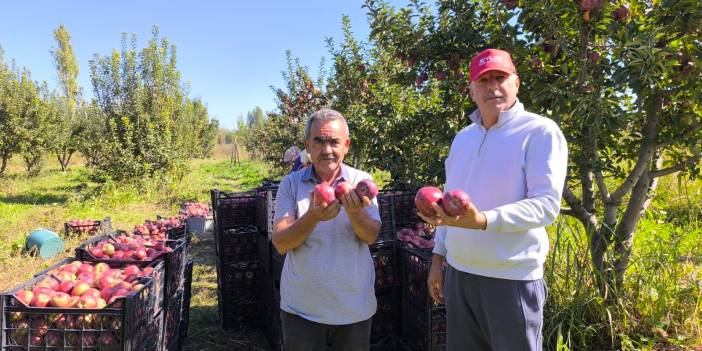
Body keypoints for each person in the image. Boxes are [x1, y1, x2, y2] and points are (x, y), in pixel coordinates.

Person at [420, 48, 568, 351]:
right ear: (472, 90)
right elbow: (450, 207)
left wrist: (484, 220)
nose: (492, 86)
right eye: (483, 80)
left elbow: (545, 205)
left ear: (516, 82)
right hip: (460, 276)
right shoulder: (463, 138)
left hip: (510, 279)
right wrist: (438, 258)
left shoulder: (539, 132)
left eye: (500, 77)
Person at [272, 108, 382, 351]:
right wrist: (312, 217)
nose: (327, 149)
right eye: (319, 141)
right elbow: (280, 242)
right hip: (301, 311)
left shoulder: (361, 184)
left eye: (334, 142)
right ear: (307, 145)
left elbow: (371, 236)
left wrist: (355, 212)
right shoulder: (291, 184)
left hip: (353, 309)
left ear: (346, 145)